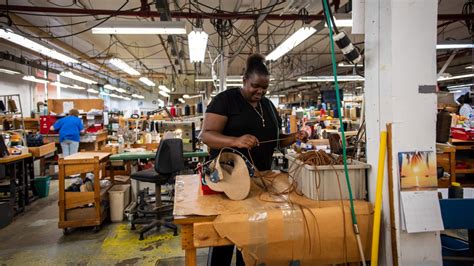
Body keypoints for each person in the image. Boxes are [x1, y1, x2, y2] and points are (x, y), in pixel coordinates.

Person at [200, 54, 308, 266]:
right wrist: (236, 140)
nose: (260, 91)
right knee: (226, 236)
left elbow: (276, 141)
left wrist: (294, 137)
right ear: (244, 80)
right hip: (228, 180)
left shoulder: (267, 105)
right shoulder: (226, 100)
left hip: (259, 180)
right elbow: (206, 136)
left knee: (250, 236)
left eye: (264, 88)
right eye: (255, 86)